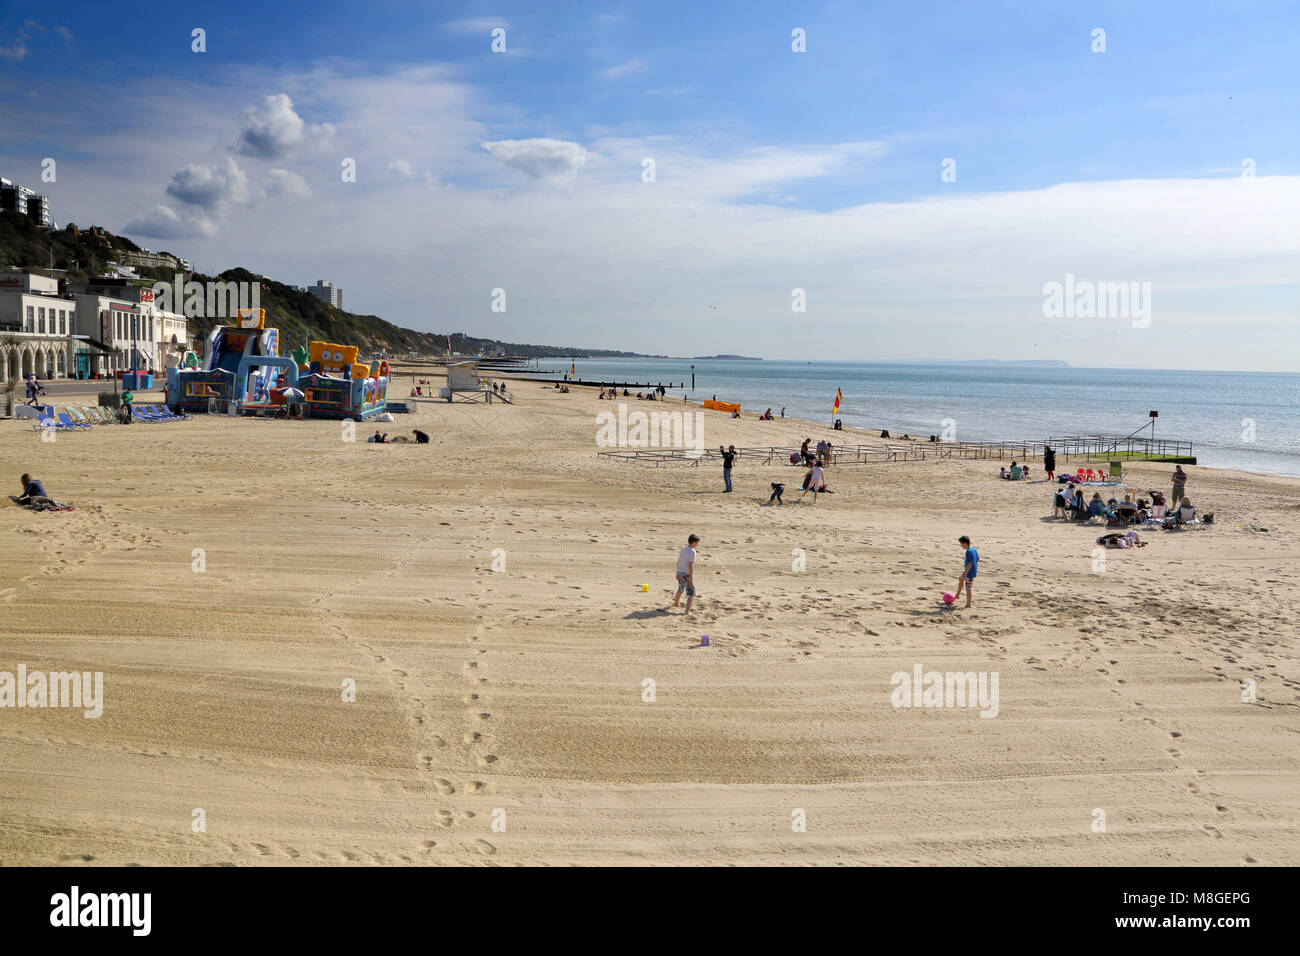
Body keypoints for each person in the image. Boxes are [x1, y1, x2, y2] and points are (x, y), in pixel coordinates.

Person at [674, 534, 699, 614]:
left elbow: (678, 561)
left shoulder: (683, 549)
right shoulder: (692, 551)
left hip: (680, 572)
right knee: (691, 593)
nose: (697, 545)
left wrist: (677, 572)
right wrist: (691, 580)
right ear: (693, 542)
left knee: (681, 588)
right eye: (697, 543)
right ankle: (687, 611)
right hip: (686, 574)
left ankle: (676, 604)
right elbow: (690, 566)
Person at [955, 535, 978, 608]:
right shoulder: (973, 549)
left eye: (961, 544)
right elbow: (977, 559)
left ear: (965, 543)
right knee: (960, 578)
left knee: (968, 588)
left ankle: (968, 604)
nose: (961, 546)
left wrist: (966, 573)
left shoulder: (968, 551)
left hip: (969, 573)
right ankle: (957, 595)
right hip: (971, 571)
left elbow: (969, 563)